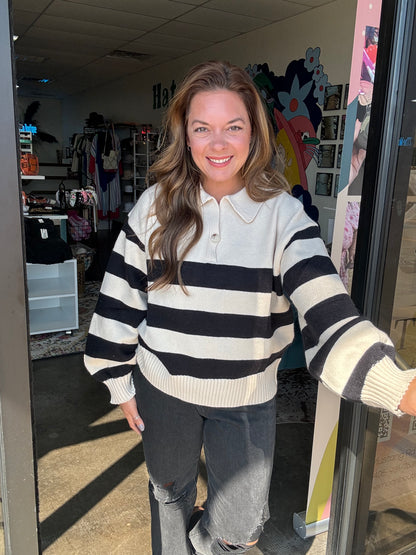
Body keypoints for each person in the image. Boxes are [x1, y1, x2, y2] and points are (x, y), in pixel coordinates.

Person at [84, 60, 416, 555]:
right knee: (169, 496)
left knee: (240, 531)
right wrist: (118, 381)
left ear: (253, 132)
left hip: (244, 398)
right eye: (203, 128)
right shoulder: (153, 207)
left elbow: (329, 311)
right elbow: (119, 300)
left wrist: (400, 388)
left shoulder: (283, 215)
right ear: (185, 136)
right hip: (164, 389)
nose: (218, 144)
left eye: (233, 127)